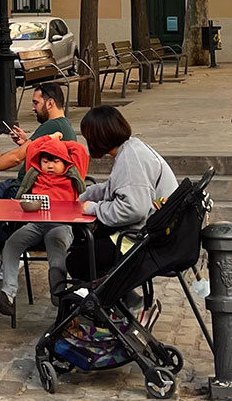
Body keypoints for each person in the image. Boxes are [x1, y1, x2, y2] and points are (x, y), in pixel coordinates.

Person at [67, 106, 178, 281]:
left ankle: (120, 299)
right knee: (92, 239)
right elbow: (115, 187)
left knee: (78, 260)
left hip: (147, 238)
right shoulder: (131, 148)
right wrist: (84, 195)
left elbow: (134, 209)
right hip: (153, 228)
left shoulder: (130, 159)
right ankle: (115, 296)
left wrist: (95, 208)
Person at [0, 134, 89, 315]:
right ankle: (7, 295)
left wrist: (58, 143)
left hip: (61, 226)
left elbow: (79, 150)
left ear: (66, 163)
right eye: (46, 160)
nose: (49, 165)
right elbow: (32, 147)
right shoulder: (35, 173)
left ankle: (59, 297)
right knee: (11, 244)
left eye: (56, 161)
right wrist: (49, 139)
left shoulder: (72, 174)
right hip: (35, 225)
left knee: (56, 252)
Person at [0, 83, 77, 199]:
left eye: (36, 103)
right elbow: (43, 151)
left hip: (24, 190)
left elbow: (16, 157)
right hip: (30, 187)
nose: (33, 108)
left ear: (50, 103)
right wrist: (26, 143)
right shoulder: (64, 124)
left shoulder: (52, 125)